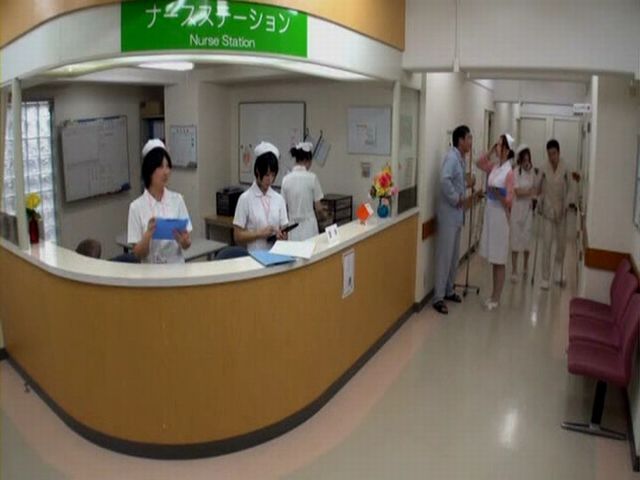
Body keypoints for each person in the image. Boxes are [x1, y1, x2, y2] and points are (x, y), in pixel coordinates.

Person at [127, 139, 192, 263]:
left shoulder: (177, 200)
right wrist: (149, 233)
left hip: (176, 268)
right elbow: (138, 254)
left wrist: (184, 241)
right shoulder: (136, 207)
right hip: (151, 271)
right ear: (149, 170)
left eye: (168, 166)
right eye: (160, 167)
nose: (166, 172)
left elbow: (187, 244)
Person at [433, 125, 475, 315]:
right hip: (449, 214)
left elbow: (457, 181)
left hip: (457, 215)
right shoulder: (451, 158)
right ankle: (438, 297)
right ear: (460, 140)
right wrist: (456, 198)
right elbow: (444, 180)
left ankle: (449, 290)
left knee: (453, 256)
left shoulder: (460, 159)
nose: (471, 142)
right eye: (469, 138)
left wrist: (467, 183)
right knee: (444, 257)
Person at [477, 133, 515, 310]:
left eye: (500, 145)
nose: (498, 147)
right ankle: (493, 294)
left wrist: (498, 194)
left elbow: (510, 201)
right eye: (497, 145)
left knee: (499, 259)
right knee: (494, 258)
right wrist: (491, 150)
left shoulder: (509, 172)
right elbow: (479, 163)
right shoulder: (495, 167)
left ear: (507, 149)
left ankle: (497, 297)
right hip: (490, 215)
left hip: (500, 217)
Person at [233, 141, 289, 251]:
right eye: (266, 175)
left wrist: (282, 237)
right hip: (254, 255)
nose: (270, 180)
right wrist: (259, 233)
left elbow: (285, 231)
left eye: (273, 175)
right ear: (257, 171)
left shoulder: (279, 199)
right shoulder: (245, 199)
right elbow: (237, 236)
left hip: (276, 254)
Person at [538, 139, 569, 290]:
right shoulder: (544, 167)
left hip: (561, 210)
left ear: (559, 152)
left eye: (554, 153)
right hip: (548, 210)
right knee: (547, 244)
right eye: (549, 154)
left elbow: (571, 188)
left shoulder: (565, 166)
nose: (552, 157)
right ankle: (545, 277)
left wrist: (567, 203)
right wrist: (538, 200)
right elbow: (537, 186)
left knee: (561, 244)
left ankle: (558, 272)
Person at [281, 141, 326, 241]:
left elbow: (282, 208)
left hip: (292, 228)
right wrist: (324, 217)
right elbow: (319, 208)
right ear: (307, 160)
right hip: (309, 228)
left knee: (294, 250)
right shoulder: (312, 178)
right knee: (311, 250)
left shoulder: (286, 179)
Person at [509, 145, 539, 282]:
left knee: (527, 239)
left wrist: (530, 193)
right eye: (524, 160)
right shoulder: (515, 172)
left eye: (528, 159)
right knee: (515, 239)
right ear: (520, 160)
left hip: (527, 210)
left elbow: (536, 189)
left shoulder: (532, 172)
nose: (527, 162)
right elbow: (517, 192)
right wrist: (529, 192)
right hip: (517, 210)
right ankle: (514, 270)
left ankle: (526, 266)